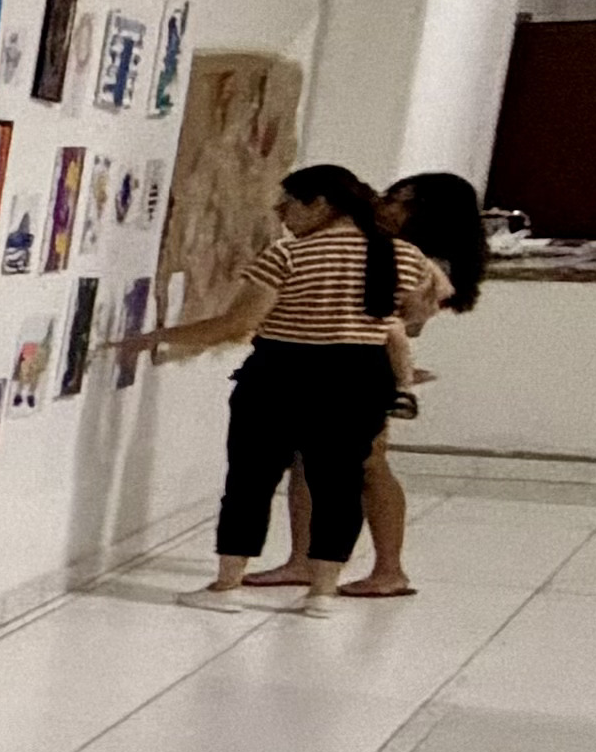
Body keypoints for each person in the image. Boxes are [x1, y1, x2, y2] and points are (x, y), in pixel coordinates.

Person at [116, 163, 442, 615]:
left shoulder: (287, 255)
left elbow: (237, 324)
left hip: (282, 371)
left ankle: (228, 585)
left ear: (320, 204)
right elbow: (417, 310)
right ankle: (322, 593)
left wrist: (154, 337)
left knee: (251, 479)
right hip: (360, 376)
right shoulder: (405, 256)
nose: (281, 214)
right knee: (339, 483)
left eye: (288, 204)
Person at [251, 169, 490, 599]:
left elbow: (403, 319)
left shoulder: (417, 260)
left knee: (368, 464)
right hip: (352, 363)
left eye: (396, 199)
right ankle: (304, 559)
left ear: (423, 210)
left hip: (363, 369)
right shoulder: (391, 250)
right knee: (310, 459)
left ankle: (388, 569)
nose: (383, 204)